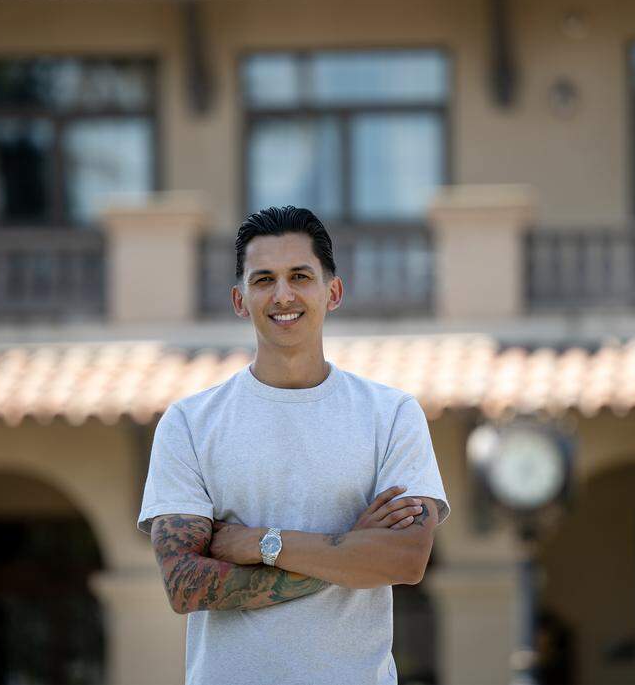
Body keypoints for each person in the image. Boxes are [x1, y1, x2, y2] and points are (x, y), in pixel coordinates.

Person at [137, 205, 450, 685]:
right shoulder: (189, 424)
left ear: (333, 292)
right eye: (264, 280)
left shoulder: (390, 415)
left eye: (300, 276)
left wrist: (260, 543)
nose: (283, 295)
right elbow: (184, 586)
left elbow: (405, 560)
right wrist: (351, 553)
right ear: (240, 300)